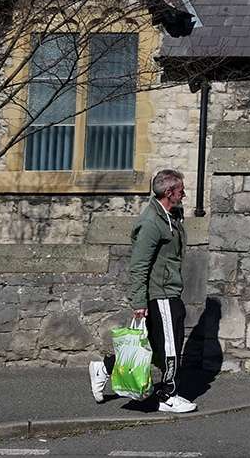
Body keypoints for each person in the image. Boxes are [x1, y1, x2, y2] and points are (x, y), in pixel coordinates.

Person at [89, 168, 198, 413]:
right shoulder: (151, 223)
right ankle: (167, 395)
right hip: (160, 295)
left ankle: (104, 368)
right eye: (181, 190)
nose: (184, 194)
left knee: (150, 345)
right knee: (171, 347)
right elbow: (138, 265)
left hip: (169, 290)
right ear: (169, 192)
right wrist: (139, 301)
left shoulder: (170, 216)